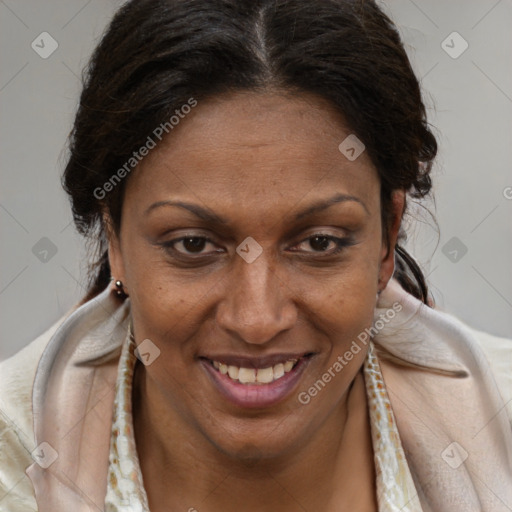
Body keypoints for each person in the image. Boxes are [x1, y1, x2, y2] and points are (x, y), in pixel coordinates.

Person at [1, 0, 511, 511]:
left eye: (319, 243)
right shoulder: (14, 461)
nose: (257, 320)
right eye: (193, 244)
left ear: (386, 238)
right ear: (114, 238)